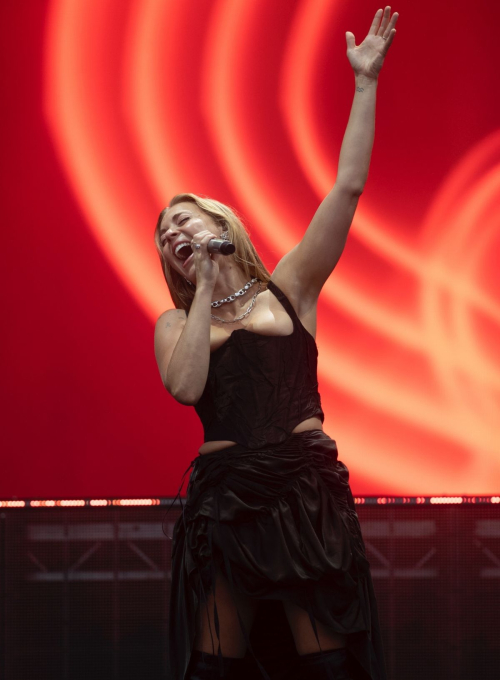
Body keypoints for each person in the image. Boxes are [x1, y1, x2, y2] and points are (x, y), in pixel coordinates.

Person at [154, 7, 399, 679]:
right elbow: (185, 388)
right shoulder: (175, 323)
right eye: (165, 237)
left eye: (183, 217)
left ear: (217, 219)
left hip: (302, 489)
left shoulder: (291, 287)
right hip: (227, 497)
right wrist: (200, 290)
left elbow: (347, 190)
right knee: (215, 665)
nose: (173, 230)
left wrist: (365, 85)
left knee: (325, 664)